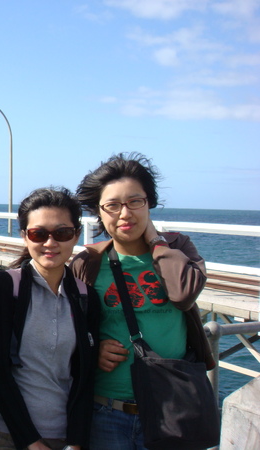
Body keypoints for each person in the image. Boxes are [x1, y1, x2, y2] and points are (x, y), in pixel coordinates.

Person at [70, 153, 214, 450]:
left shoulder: (179, 248)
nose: (125, 214)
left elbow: (184, 295)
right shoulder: (88, 262)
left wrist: (157, 242)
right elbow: (70, 327)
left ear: (150, 203)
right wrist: (93, 347)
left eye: (135, 202)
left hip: (173, 408)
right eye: (112, 206)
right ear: (99, 212)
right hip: (107, 409)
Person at [0, 187, 100, 450]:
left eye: (62, 233)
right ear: (25, 236)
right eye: (38, 234)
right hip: (3, 433)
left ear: (76, 235)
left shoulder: (84, 296)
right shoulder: (6, 286)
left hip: (62, 435)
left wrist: (76, 442)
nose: (50, 243)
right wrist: (31, 442)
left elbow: (84, 377)